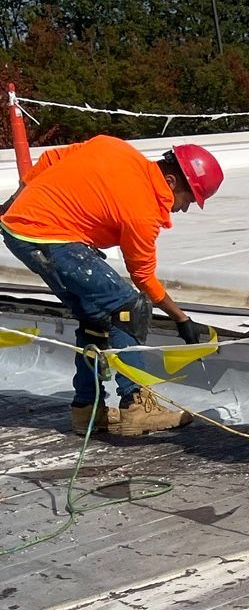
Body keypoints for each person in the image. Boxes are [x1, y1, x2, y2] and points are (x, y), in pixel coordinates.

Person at [1, 135, 221, 437]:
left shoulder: (114, 147)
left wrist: (16, 202)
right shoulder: (142, 210)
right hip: (50, 238)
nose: (184, 208)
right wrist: (180, 318)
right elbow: (142, 276)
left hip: (23, 231)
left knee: (94, 319)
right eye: (189, 199)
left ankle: (87, 410)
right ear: (171, 181)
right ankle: (136, 405)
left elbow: (51, 159)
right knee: (128, 307)